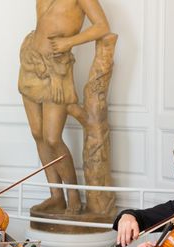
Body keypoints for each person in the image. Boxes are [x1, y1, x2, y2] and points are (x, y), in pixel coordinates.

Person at [19, 0, 111, 215]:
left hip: (57, 69)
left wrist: (70, 42)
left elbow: (102, 27)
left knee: (52, 137)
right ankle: (56, 196)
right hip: (32, 63)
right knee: (38, 134)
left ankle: (73, 197)